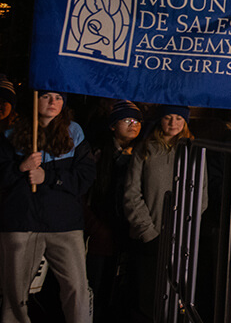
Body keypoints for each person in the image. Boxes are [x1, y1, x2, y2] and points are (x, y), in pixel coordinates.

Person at [0, 90, 96, 323]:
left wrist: (50, 177)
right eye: (46, 96)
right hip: (22, 223)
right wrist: (20, 169)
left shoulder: (75, 132)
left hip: (65, 225)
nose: (53, 102)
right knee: (15, 294)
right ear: (34, 99)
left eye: (59, 97)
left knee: (77, 290)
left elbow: (85, 176)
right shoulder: (10, 134)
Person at [123, 104, 206, 323]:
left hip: (181, 238)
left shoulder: (194, 151)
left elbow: (201, 196)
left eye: (179, 118)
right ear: (160, 119)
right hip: (149, 237)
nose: (173, 123)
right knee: (147, 300)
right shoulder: (144, 149)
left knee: (178, 299)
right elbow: (132, 193)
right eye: (168, 117)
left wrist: (185, 227)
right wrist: (148, 232)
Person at [84, 99, 143, 323]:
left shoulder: (141, 153)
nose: (133, 125)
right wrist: (95, 226)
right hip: (99, 231)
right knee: (95, 286)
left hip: (127, 232)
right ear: (112, 125)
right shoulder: (97, 153)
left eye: (137, 121)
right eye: (127, 120)